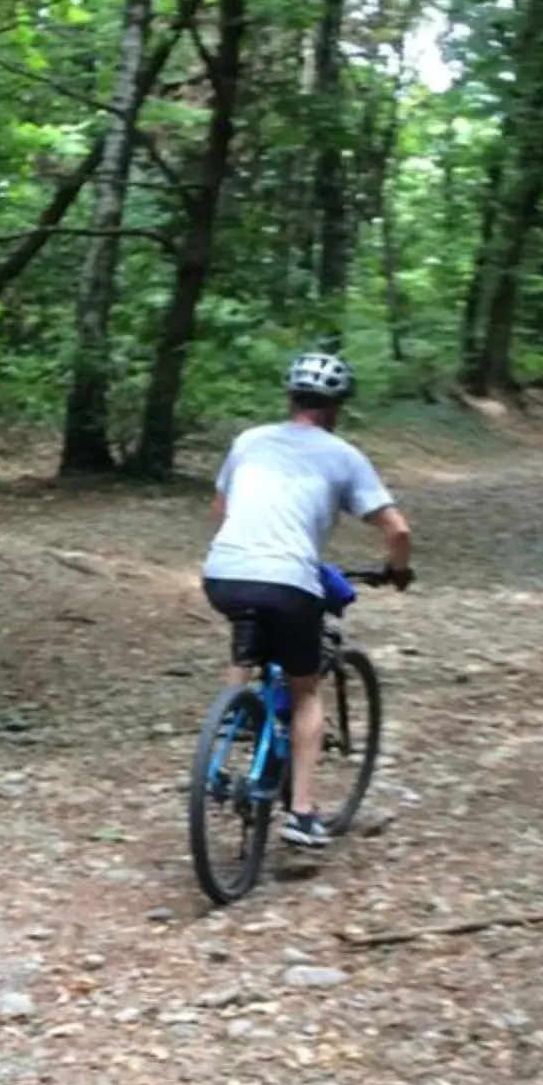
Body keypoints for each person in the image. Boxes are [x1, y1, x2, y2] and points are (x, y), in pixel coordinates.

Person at [202, 350, 413, 851]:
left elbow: (220, 509)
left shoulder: (249, 440)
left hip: (223, 571)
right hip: (288, 579)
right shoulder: (342, 455)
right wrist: (398, 570)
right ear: (337, 406)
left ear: (289, 397)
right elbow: (397, 530)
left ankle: (234, 716)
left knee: (248, 640)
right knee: (305, 689)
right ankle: (301, 812)